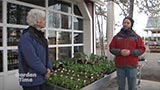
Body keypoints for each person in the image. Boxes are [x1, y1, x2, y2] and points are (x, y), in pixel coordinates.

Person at [18, 9, 52, 90]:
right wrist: (44, 71)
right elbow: (32, 59)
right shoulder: (26, 37)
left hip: (41, 78)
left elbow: (46, 54)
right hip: (30, 79)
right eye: (43, 19)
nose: (45, 21)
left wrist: (49, 68)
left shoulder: (41, 36)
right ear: (37, 21)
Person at [109, 16, 146, 90]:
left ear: (131, 24)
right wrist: (120, 52)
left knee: (132, 87)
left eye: (128, 23)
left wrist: (131, 52)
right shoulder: (117, 37)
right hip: (120, 66)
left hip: (132, 66)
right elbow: (111, 48)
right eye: (124, 22)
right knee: (121, 87)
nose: (125, 24)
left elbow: (142, 49)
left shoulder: (136, 37)